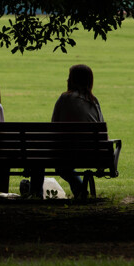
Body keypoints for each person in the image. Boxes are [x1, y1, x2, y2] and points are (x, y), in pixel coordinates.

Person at [30, 64, 105, 198]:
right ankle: (80, 191)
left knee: (38, 157)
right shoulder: (94, 101)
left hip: (65, 152)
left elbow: (54, 127)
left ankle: (36, 194)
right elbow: (102, 130)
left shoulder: (64, 98)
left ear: (73, 80)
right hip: (92, 155)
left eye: (69, 77)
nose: (67, 80)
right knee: (62, 166)